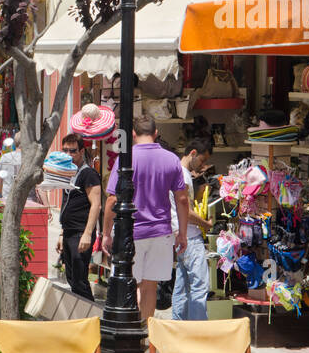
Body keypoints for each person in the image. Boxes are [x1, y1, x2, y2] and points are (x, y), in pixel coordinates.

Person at [101, 115, 188, 322]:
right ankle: (145, 334)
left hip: (131, 231)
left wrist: (105, 233)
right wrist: (182, 233)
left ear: (133, 134)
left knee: (129, 282)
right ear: (156, 133)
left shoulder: (126, 158)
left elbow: (112, 200)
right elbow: (182, 199)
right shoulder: (171, 159)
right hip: (161, 232)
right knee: (150, 286)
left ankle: (131, 328)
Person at [171, 138, 214, 320]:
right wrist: (206, 224)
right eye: (202, 160)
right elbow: (186, 211)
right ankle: (198, 329)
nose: (203, 165)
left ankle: (179, 325)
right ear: (193, 153)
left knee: (182, 285)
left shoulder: (174, 171)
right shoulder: (184, 174)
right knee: (199, 286)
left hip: (178, 235)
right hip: (189, 236)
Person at [55, 134, 101, 301]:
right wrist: (61, 233)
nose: (68, 154)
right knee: (71, 277)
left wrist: (87, 234)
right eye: (65, 150)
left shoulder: (88, 173)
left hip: (80, 232)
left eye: (72, 151)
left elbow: (96, 204)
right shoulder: (68, 172)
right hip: (69, 231)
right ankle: (80, 319)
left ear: (81, 151)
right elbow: (66, 202)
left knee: (80, 280)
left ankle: (91, 318)